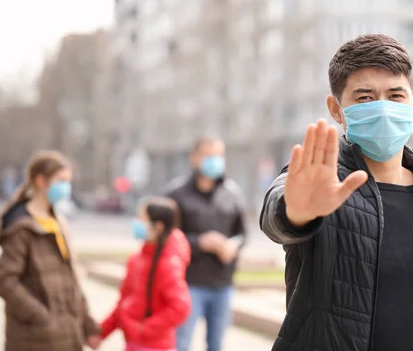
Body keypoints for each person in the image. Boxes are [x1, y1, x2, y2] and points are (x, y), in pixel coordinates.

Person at [260, 34, 413, 351]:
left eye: (395, 96)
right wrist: (297, 212)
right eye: (365, 98)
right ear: (336, 108)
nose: (383, 108)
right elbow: (278, 215)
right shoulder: (321, 185)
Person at [0, 150, 102, 351]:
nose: (66, 187)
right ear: (41, 181)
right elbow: (6, 280)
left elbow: (70, 278)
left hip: (65, 334)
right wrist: (41, 316)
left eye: (68, 181)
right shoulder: (22, 226)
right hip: (35, 337)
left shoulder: (57, 222)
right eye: (61, 180)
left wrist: (88, 323)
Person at [167, 137, 247, 351]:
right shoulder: (176, 194)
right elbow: (166, 237)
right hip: (188, 283)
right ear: (194, 158)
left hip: (223, 284)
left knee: (217, 345)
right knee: (180, 344)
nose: (215, 161)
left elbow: (242, 235)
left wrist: (233, 246)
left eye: (219, 155)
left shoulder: (232, 193)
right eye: (208, 155)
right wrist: (199, 242)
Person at [101, 196, 192, 351]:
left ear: (158, 227)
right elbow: (125, 301)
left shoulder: (168, 264)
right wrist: (102, 332)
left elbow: (180, 307)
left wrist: (144, 329)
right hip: (134, 343)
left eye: (141, 218)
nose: (136, 222)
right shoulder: (138, 259)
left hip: (155, 345)